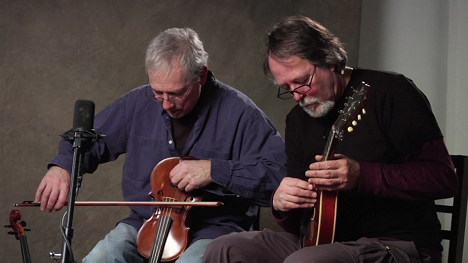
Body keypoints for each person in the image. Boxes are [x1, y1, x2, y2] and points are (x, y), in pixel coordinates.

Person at [203, 16, 458, 263]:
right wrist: (282, 204)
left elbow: (444, 178)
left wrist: (361, 176)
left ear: (331, 62)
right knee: (224, 249)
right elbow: (299, 222)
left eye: (302, 82)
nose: (297, 96)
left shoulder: (392, 92)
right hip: (319, 242)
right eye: (287, 88)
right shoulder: (298, 120)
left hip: (398, 244)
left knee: (305, 261)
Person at [34, 27, 287, 263]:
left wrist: (214, 170)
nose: (166, 104)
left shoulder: (242, 114)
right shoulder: (138, 103)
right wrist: (63, 167)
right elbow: (86, 140)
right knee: (102, 257)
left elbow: (277, 174)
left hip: (215, 228)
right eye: (158, 93)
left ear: (203, 75)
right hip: (146, 223)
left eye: (177, 93)